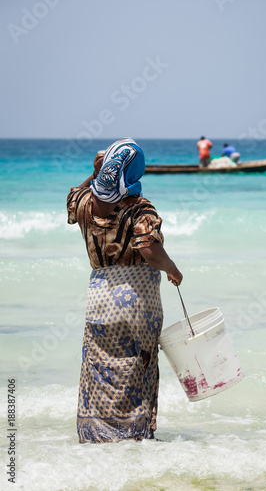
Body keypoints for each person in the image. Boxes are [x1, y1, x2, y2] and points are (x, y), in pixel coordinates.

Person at [67, 138, 183, 443]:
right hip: (136, 302)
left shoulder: (85, 205)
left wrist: (95, 174)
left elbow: (73, 196)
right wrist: (172, 268)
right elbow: (150, 252)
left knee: (100, 368)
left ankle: (99, 437)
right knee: (137, 366)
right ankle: (134, 438)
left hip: (99, 299)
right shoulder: (139, 208)